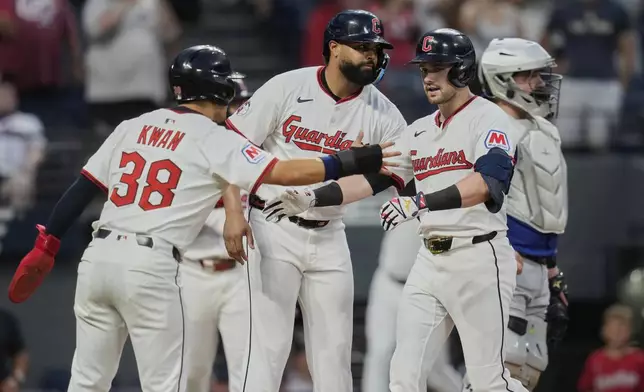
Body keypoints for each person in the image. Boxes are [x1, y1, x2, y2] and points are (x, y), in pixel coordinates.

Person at [5, 45, 395, 392]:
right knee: (167, 384)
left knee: (88, 381)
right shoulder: (214, 138)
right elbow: (287, 174)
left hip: (97, 261)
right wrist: (359, 158)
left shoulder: (134, 125)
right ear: (221, 90)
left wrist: (47, 244)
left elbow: (82, 188)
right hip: (150, 265)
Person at [262, 28, 528, 392]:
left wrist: (421, 201)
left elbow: (487, 184)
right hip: (430, 261)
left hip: (479, 256)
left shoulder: (488, 118)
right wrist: (313, 197)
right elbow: (376, 178)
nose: (428, 78)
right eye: (423, 69)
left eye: (438, 68)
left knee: (487, 381)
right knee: (402, 376)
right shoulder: (418, 130)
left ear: (463, 71)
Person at [222, 9, 407, 392]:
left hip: (328, 230)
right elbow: (232, 148)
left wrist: (316, 196)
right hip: (272, 224)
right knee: (268, 348)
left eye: (376, 48)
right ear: (334, 48)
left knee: (335, 354)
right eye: (362, 47)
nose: (372, 56)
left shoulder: (385, 113)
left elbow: (387, 176)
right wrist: (233, 213)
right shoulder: (288, 86)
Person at [467, 37, 570, 392]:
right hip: (506, 259)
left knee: (530, 364)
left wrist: (553, 273)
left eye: (539, 76)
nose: (540, 84)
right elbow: (478, 195)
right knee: (499, 363)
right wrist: (494, 248)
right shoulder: (488, 127)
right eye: (529, 76)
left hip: (539, 265)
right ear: (503, 78)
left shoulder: (544, 130)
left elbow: (546, 207)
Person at [181, 80, 255, 392]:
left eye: (243, 105)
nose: (236, 113)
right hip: (193, 270)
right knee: (190, 375)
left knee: (251, 373)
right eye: (231, 105)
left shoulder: (258, 153)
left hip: (243, 273)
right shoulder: (186, 153)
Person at [362, 195, 463, 392]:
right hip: (388, 281)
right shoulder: (406, 190)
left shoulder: (447, 204)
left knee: (434, 369)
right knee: (379, 355)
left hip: (425, 290)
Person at [577, 304, 644, 392]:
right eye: (613, 328)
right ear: (605, 331)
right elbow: (585, 388)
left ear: (629, 331)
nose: (617, 333)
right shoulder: (595, 360)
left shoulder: (639, 359)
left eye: (621, 328)